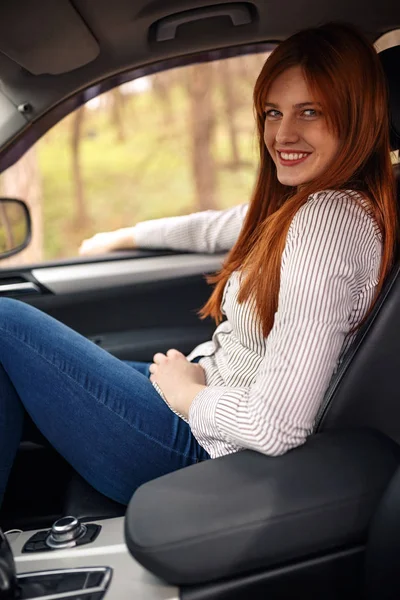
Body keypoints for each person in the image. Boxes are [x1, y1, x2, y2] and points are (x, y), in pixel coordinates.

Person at [0, 23, 396, 508]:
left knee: (4, 322)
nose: (282, 133)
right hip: (211, 403)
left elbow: (277, 426)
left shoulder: (326, 222)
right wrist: (121, 237)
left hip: (209, 447)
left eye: (310, 112)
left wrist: (185, 392)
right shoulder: (318, 205)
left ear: (357, 118)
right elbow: (221, 226)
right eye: (273, 112)